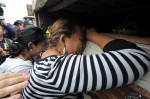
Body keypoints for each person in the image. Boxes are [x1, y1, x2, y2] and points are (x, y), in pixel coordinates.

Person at [22, 18, 150, 99]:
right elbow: (138, 58)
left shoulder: (43, 62)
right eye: (81, 40)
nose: (83, 46)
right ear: (63, 40)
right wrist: (93, 35)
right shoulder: (56, 69)